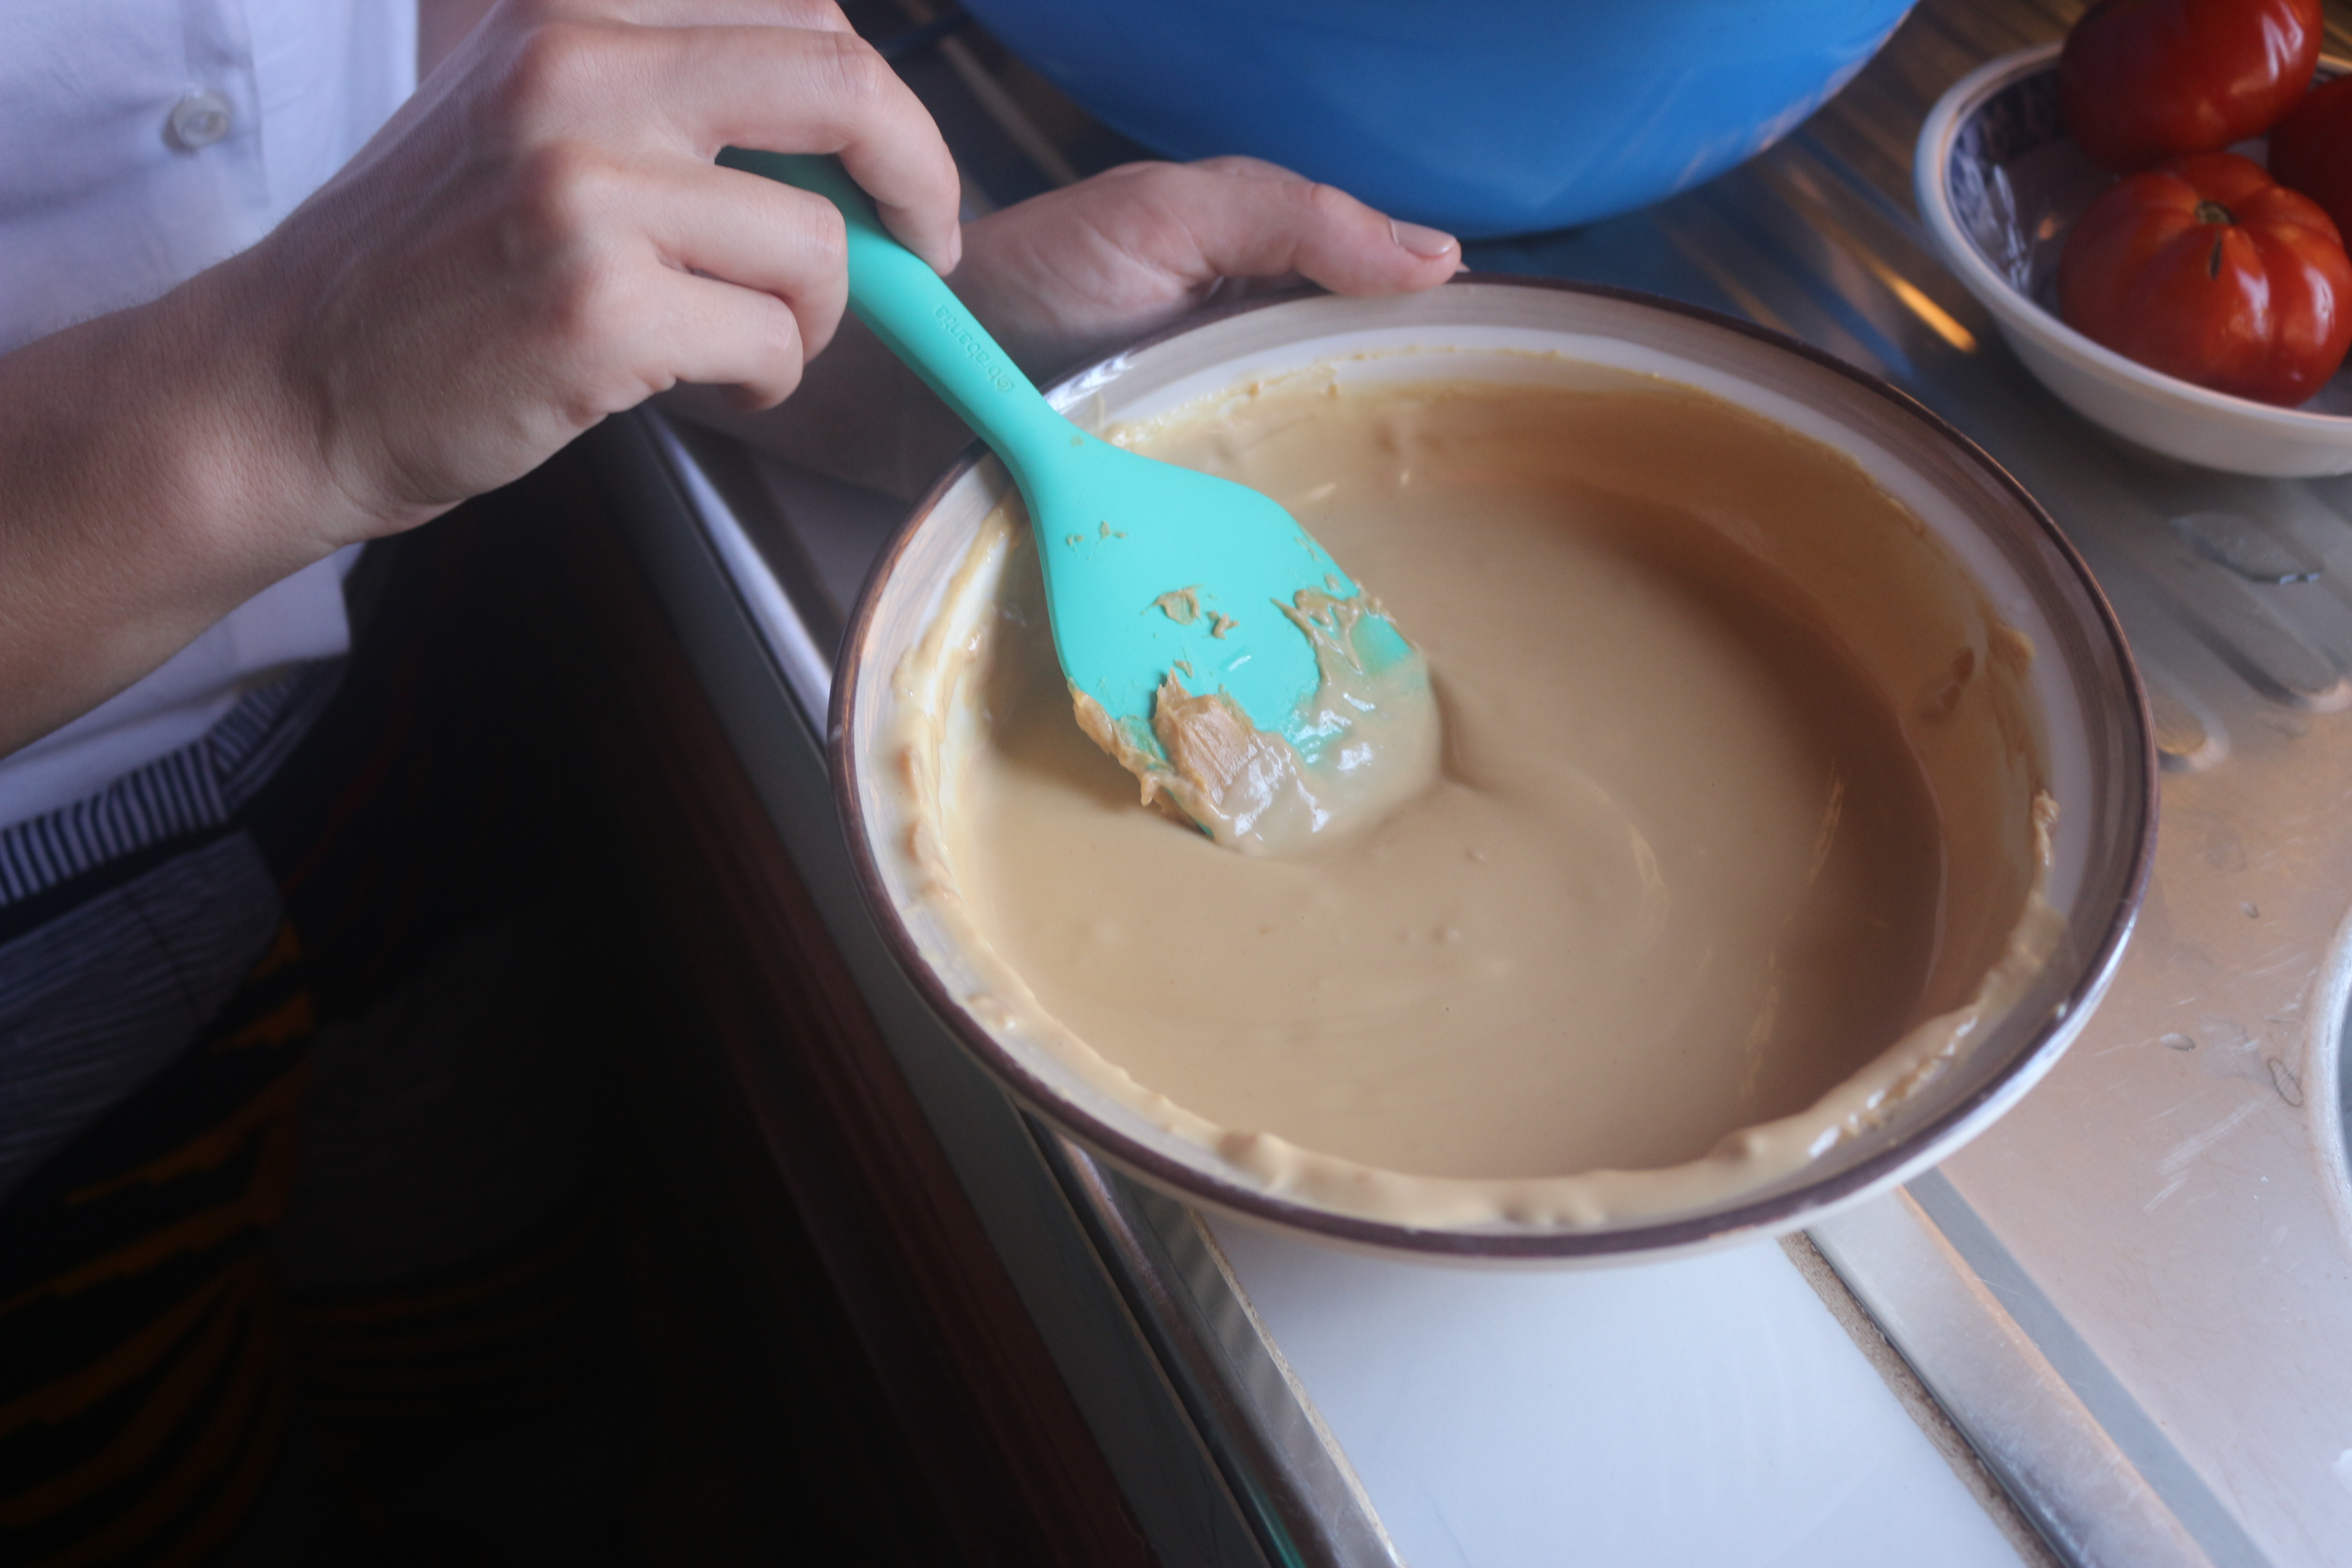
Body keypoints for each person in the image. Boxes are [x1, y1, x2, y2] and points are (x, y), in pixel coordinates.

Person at [0, 0, 1462, 1560]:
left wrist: (893, 362)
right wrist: (288, 391)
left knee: (506, 1347)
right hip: (40, 958)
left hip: (400, 690)